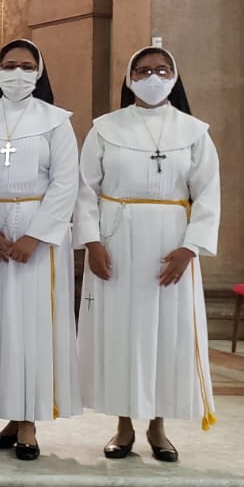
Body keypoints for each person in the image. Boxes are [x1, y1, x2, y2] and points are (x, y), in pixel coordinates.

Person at [77, 46, 221, 463]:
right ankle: (123, 424)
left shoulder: (194, 132)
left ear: (175, 76)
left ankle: (158, 425)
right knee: (120, 331)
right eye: (142, 70)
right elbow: (85, 190)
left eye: (161, 70)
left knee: (167, 333)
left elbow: (208, 195)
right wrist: (92, 242)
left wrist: (190, 248)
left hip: (169, 246)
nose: (152, 77)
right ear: (129, 78)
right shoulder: (105, 128)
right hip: (115, 243)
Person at [0, 39, 80, 461]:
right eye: (9, 65)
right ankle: (9, 415)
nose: (17, 73)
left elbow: (67, 182)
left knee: (32, 325)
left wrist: (38, 234)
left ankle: (29, 421)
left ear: (39, 71)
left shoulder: (56, 121)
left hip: (37, 234)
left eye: (26, 66)